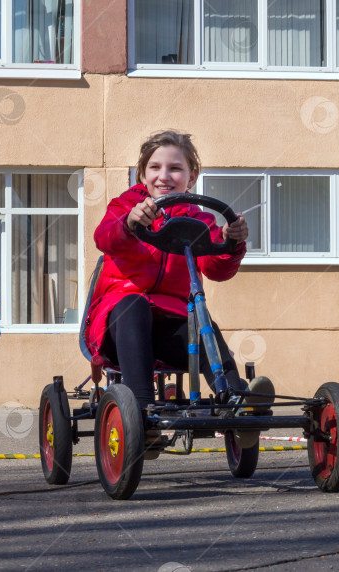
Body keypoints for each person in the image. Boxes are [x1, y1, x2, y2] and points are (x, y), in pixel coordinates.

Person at [85, 129, 273, 448]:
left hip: (170, 328)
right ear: (142, 174)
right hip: (119, 325)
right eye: (155, 168)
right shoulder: (126, 205)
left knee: (201, 325)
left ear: (192, 176)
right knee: (135, 305)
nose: (164, 176)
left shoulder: (198, 219)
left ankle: (235, 400)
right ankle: (142, 415)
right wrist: (130, 223)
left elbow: (216, 269)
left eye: (175, 168)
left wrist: (232, 242)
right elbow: (104, 238)